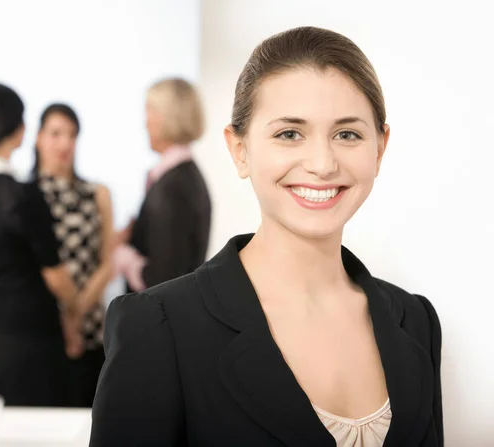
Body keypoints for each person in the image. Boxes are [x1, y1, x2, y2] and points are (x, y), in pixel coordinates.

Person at [90, 27, 443, 446]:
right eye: (289, 134)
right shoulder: (157, 326)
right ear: (239, 150)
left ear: (379, 149)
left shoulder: (415, 320)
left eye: (347, 134)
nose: (322, 164)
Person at [0, 83, 80, 407]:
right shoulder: (23, 196)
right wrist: (76, 310)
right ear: (19, 130)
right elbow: (57, 278)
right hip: (31, 340)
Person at [32, 103, 114, 407]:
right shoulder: (26, 194)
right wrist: (66, 320)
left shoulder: (97, 193)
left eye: (72, 134)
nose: (65, 143)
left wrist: (76, 314)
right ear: (38, 137)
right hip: (44, 330)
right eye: (55, 134)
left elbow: (107, 262)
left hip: (91, 326)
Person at [112, 77, 212, 293]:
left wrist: (122, 253)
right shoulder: (185, 177)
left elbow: (162, 279)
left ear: (168, 117)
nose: (145, 122)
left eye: (150, 111)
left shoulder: (174, 187)